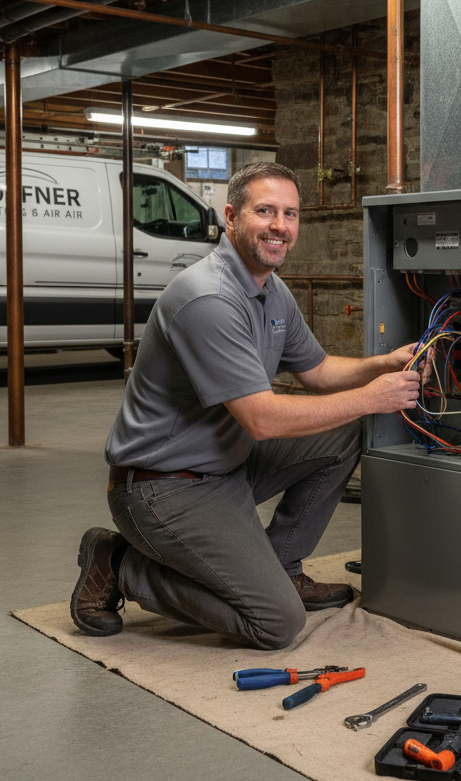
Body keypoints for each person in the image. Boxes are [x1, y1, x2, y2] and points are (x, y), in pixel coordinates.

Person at [70, 161, 422, 650]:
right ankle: (121, 565)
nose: (281, 226)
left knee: (345, 431)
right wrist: (370, 398)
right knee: (276, 623)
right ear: (231, 216)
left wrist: (381, 365)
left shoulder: (270, 291)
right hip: (163, 487)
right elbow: (261, 419)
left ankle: (281, 568)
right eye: (266, 211)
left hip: (224, 466)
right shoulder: (207, 298)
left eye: (291, 214)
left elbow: (318, 372)